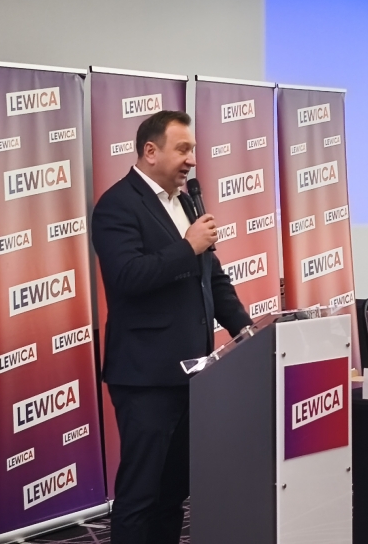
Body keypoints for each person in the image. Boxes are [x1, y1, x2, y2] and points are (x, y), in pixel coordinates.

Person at [91, 110, 252, 544]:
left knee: (172, 494)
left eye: (193, 150)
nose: (191, 160)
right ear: (150, 151)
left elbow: (211, 278)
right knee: (140, 495)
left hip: (193, 373)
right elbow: (127, 276)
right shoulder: (117, 205)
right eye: (183, 149)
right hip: (145, 376)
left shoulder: (184, 203)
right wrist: (187, 247)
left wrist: (247, 333)